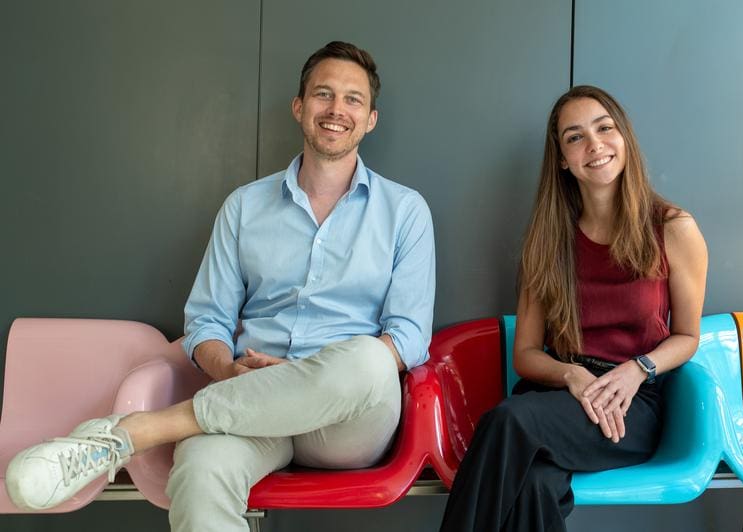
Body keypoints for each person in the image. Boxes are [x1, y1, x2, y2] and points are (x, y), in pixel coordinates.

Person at [6, 41, 436, 532]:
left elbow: (407, 337)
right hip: (247, 399)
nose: (337, 109)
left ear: (371, 118)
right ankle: (146, 433)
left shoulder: (405, 212)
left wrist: (304, 375)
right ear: (300, 107)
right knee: (199, 468)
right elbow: (207, 322)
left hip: (349, 422)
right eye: (323, 94)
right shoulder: (244, 208)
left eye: (353, 99)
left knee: (370, 358)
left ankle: (135, 432)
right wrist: (229, 370)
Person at [439, 85, 707, 532]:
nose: (595, 145)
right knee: (536, 484)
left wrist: (638, 368)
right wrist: (570, 375)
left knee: (509, 421)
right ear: (563, 159)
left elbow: (688, 336)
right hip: (558, 393)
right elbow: (525, 354)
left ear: (625, 139)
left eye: (605, 128)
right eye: (575, 136)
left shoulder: (673, 229)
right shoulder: (547, 241)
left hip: (633, 402)